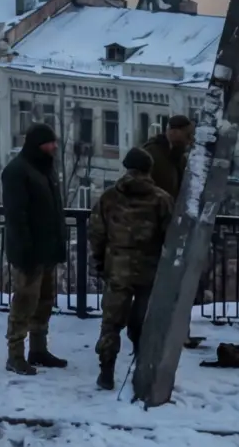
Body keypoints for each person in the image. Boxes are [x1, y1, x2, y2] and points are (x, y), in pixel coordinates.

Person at [87, 146, 172, 390]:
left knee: (111, 323)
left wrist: (100, 262)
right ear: (148, 169)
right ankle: (143, 368)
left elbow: (97, 233)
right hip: (149, 270)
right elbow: (171, 237)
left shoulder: (110, 197)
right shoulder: (161, 199)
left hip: (118, 269)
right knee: (145, 323)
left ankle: (106, 371)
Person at [1, 122, 68, 375]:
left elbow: (54, 209)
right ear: (38, 145)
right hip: (29, 252)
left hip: (47, 249)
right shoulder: (17, 171)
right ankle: (15, 354)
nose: (54, 147)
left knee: (44, 301)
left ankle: (38, 350)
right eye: (49, 143)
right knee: (24, 302)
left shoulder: (45, 169)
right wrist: (25, 250)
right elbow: (16, 216)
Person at [138, 114, 193, 200]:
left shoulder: (180, 158)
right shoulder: (149, 154)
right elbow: (137, 186)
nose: (190, 140)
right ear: (173, 132)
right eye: (188, 135)